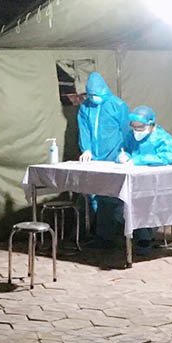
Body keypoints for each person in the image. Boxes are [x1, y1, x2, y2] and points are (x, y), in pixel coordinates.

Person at [76, 72, 129, 246]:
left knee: (113, 195)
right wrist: (86, 149)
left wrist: (125, 152)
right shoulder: (85, 108)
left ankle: (113, 233)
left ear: (104, 91)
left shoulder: (117, 105)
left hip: (114, 156)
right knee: (93, 194)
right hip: (93, 158)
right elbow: (84, 130)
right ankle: (98, 233)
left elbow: (125, 131)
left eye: (96, 94)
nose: (93, 98)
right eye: (90, 94)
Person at [116, 105, 172, 255]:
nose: (137, 130)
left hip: (157, 184)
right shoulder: (131, 136)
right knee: (119, 206)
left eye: (140, 127)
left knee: (146, 206)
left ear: (151, 124)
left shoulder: (163, 138)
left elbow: (167, 157)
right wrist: (122, 156)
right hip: (135, 182)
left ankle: (144, 239)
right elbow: (124, 149)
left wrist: (139, 160)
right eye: (134, 126)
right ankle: (136, 236)